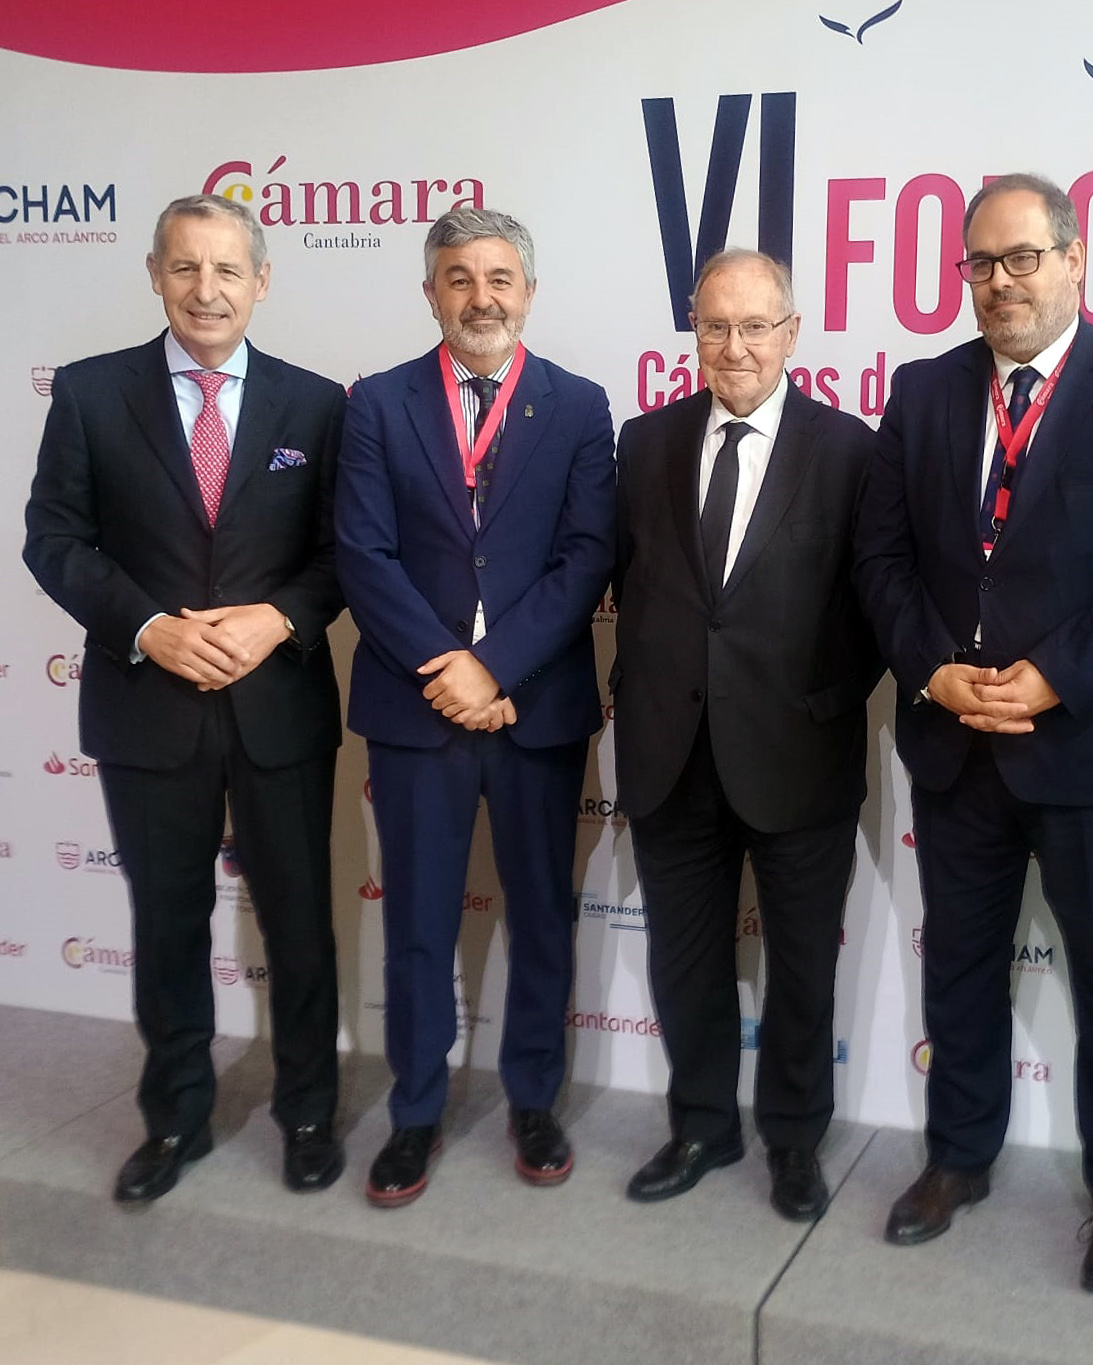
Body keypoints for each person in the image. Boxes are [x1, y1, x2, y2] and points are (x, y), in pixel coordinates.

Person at [852, 172, 1093, 1293]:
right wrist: (933, 671)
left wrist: (1054, 676)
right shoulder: (923, 390)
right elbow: (881, 558)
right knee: (960, 966)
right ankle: (958, 1157)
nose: (999, 281)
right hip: (955, 740)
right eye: (980, 262)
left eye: (1021, 258)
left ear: (1074, 260)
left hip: (1092, 745)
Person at [23, 193, 348, 1202]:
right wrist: (149, 627)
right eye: (186, 267)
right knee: (167, 923)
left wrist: (280, 618)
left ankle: (307, 1112)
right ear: (156, 275)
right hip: (146, 706)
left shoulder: (317, 404)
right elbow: (53, 540)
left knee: (299, 920)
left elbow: (344, 553)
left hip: (278, 705)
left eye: (227, 269)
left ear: (262, 281)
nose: (207, 289)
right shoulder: (90, 392)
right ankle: (174, 1119)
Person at [336, 206, 615, 1207]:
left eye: (500, 278)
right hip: (417, 711)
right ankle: (415, 1111)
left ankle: (534, 1099)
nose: (481, 297)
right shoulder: (377, 403)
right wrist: (448, 671)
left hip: (535, 707)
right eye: (459, 278)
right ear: (431, 294)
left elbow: (587, 556)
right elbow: (362, 554)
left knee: (540, 916)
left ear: (527, 293)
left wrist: (493, 670)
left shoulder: (579, 406)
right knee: (417, 921)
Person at [611, 249, 880, 1222]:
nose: (735, 347)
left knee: (802, 966)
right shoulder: (645, 441)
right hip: (670, 754)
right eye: (716, 326)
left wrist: (824, 699)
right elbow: (628, 583)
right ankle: (700, 1127)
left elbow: (877, 603)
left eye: (755, 326)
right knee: (685, 960)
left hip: (798, 755)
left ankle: (795, 1141)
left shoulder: (849, 451)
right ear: (695, 331)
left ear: (791, 333)